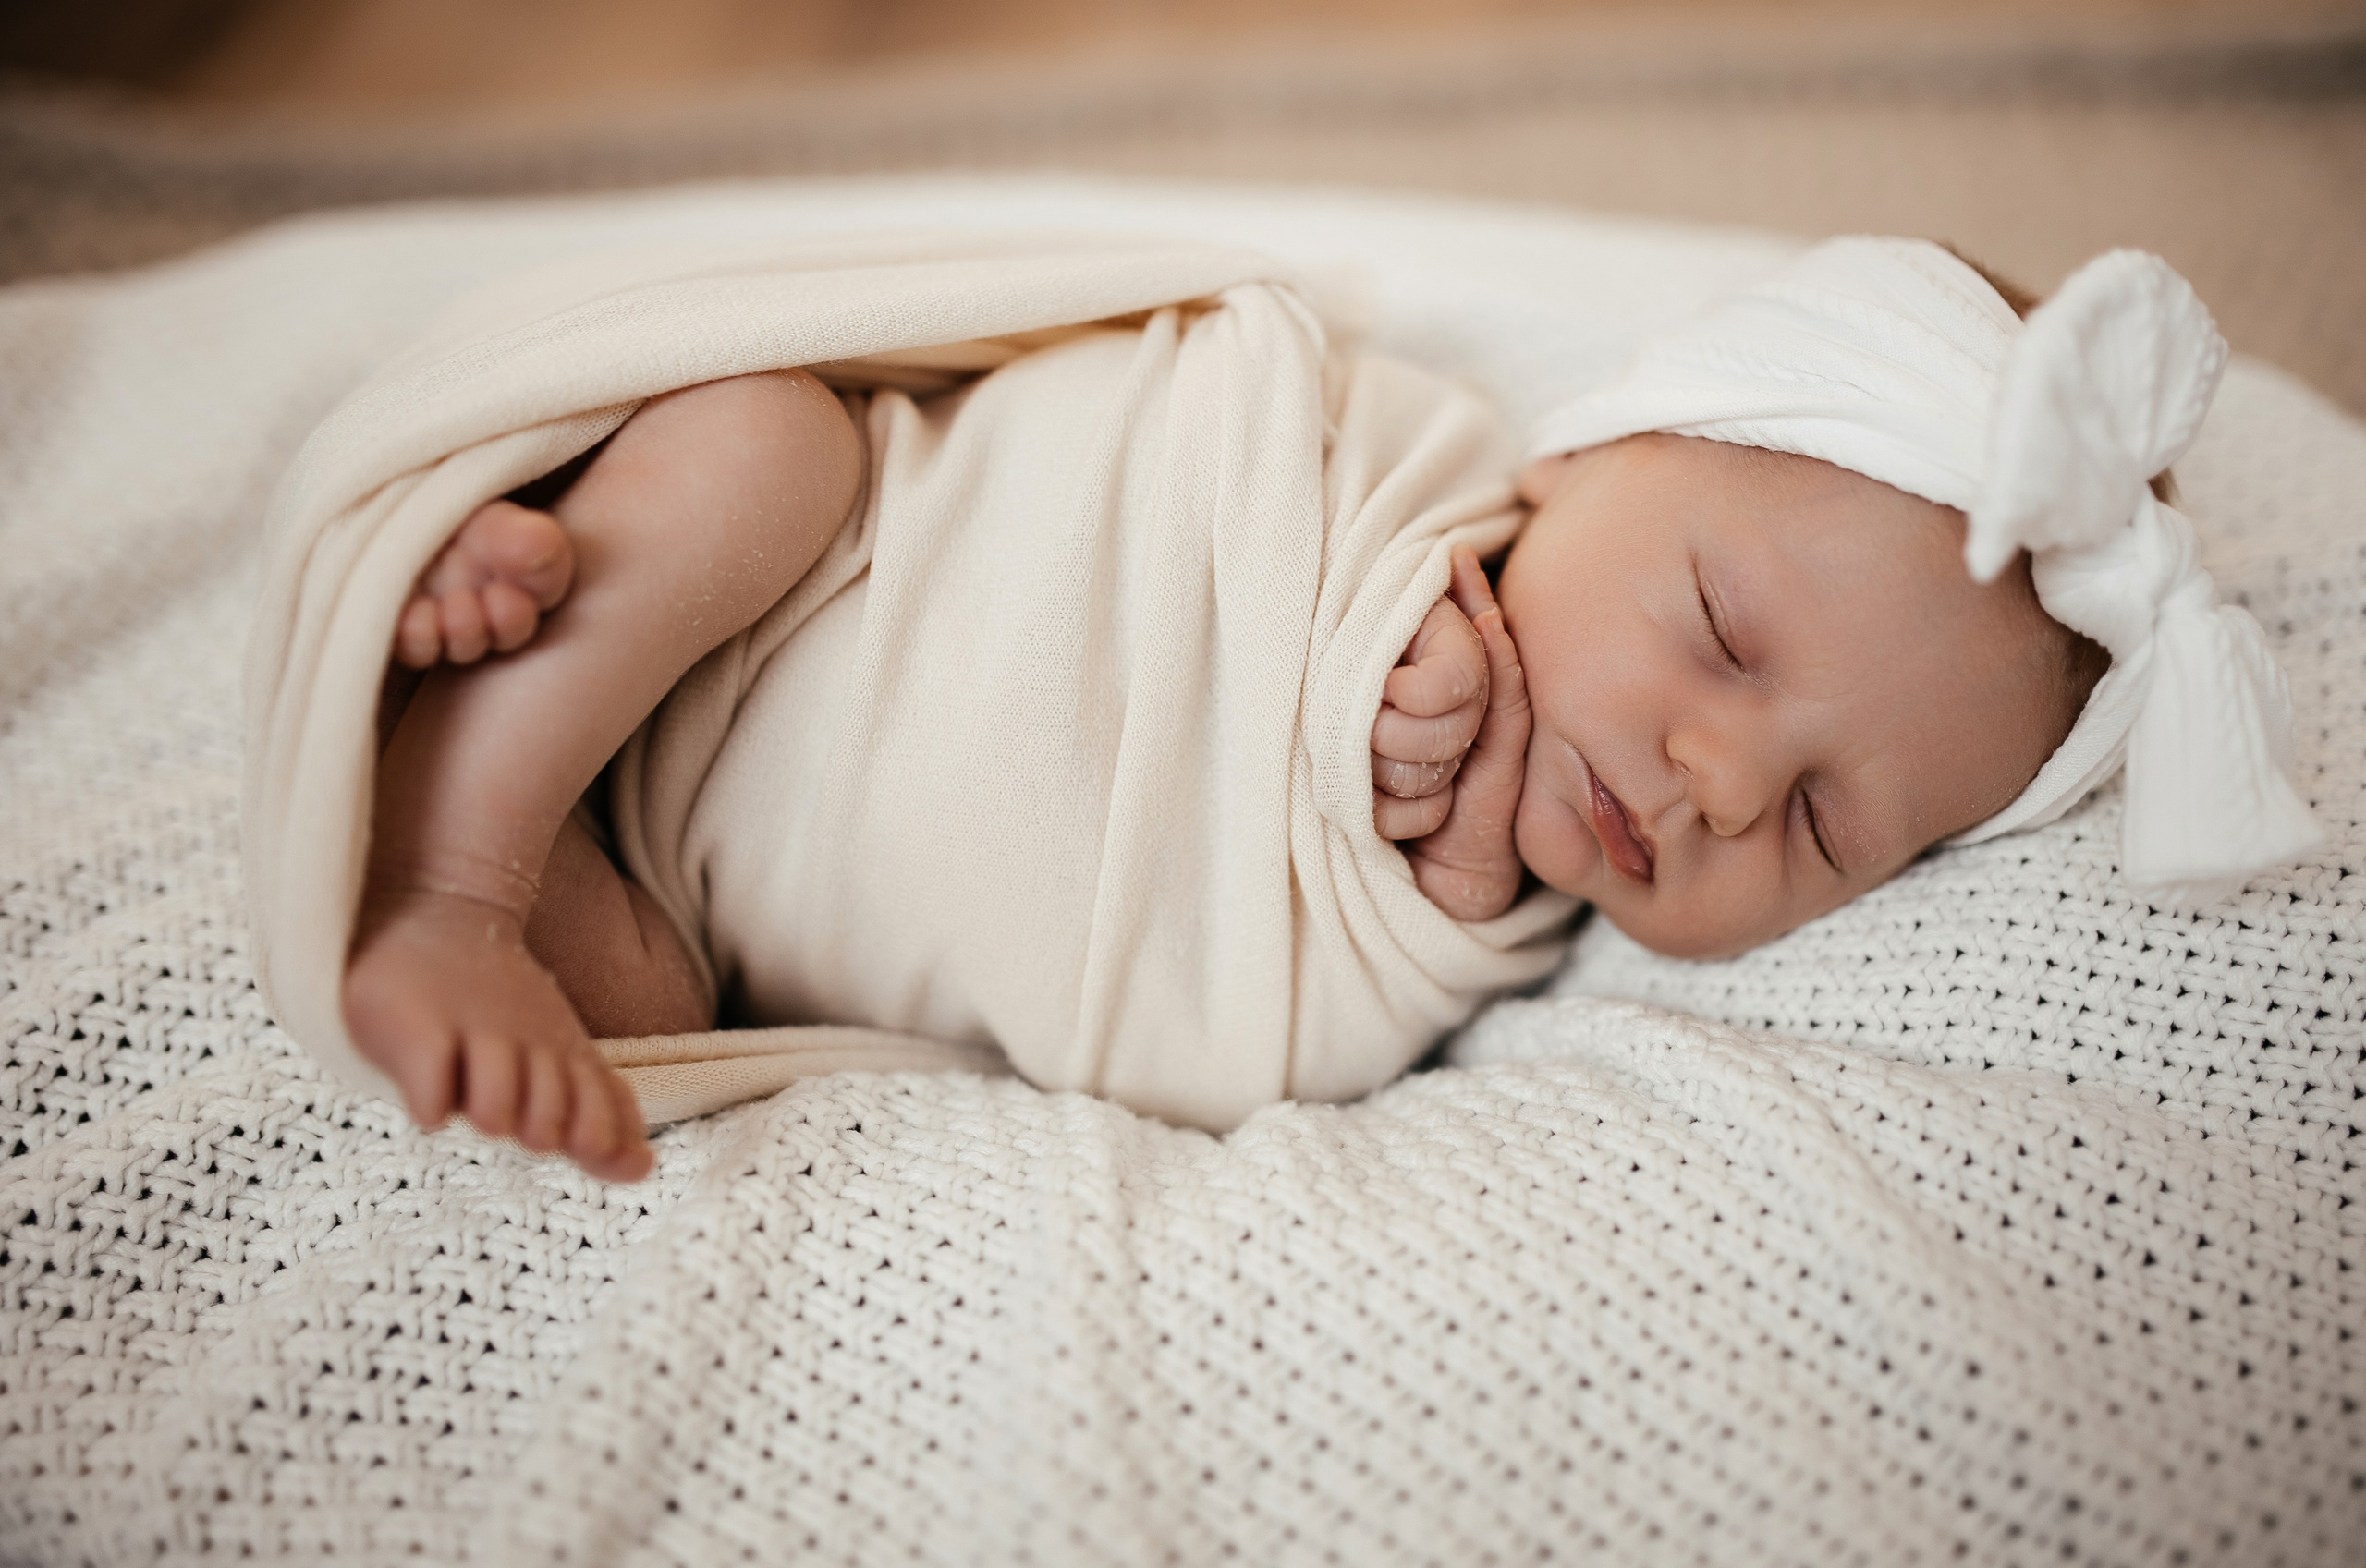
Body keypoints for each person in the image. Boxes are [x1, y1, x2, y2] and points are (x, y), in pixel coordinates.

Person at [335, 237, 2318, 1182]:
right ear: (1596, 452)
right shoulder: (1410, 448)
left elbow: (1235, 1038)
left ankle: (496, 766)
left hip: (699, 902)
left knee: (642, 1014)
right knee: (757, 443)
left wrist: (1426, 887)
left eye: (1818, 829)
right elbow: (1185, 416)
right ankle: (452, 847)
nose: (1716, 778)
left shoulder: (1501, 956)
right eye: (1715, 628)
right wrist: (1366, 628)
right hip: (795, 599)